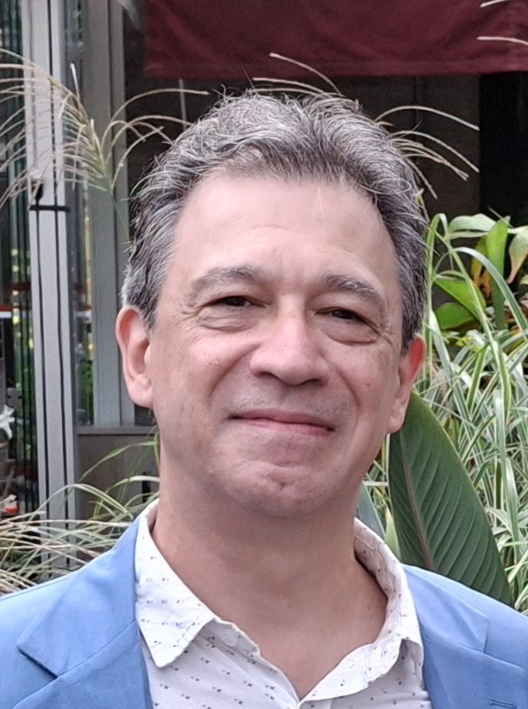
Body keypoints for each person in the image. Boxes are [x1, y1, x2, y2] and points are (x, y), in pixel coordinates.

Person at [1, 93, 527, 709]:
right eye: (234, 302)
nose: (291, 358)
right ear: (141, 355)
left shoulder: (513, 670)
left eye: (345, 314)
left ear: (400, 383)